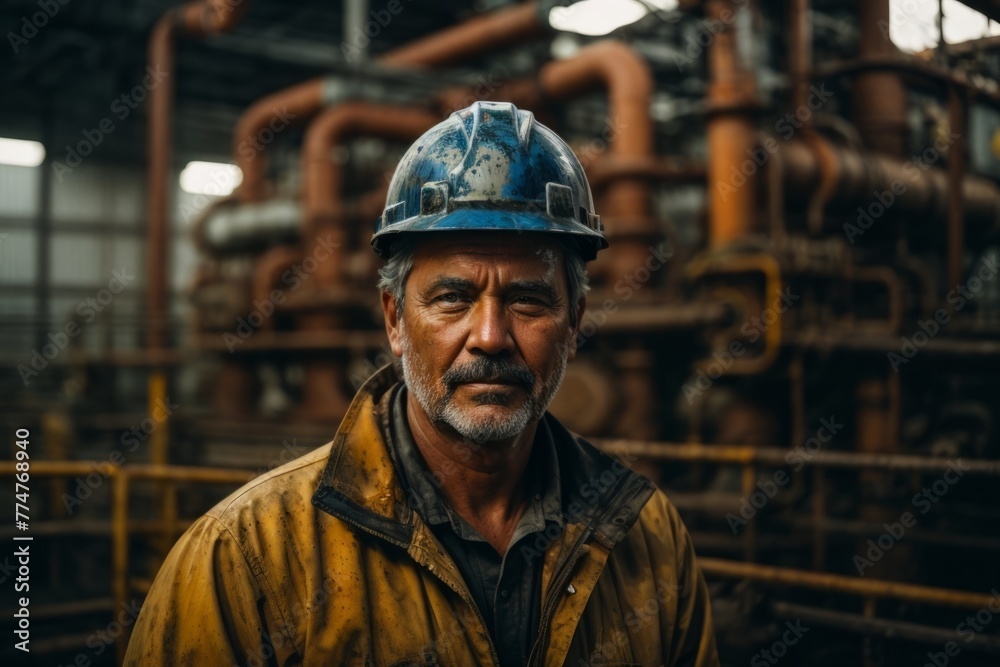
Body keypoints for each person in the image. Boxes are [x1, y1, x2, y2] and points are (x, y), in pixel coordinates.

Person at [125, 101, 719, 666]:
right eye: (453, 298)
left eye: (529, 299)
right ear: (394, 320)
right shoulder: (247, 557)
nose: (490, 336)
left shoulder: (649, 536)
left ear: (574, 325)